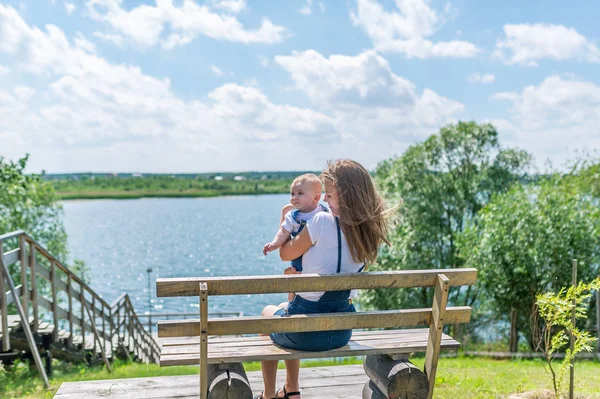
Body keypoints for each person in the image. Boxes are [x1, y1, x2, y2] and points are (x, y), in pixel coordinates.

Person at [254, 159, 393, 399]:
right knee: (283, 308)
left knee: (269, 312)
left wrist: (286, 218)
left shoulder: (320, 221)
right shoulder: (368, 232)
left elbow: (285, 253)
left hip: (307, 332)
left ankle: (268, 395)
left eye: (329, 195)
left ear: (346, 195)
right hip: (341, 329)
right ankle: (291, 390)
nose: (325, 201)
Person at [263, 173, 328, 303]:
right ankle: (291, 304)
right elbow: (283, 231)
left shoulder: (324, 214)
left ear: (316, 198)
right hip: (298, 258)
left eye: (300, 193)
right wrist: (274, 244)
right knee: (293, 281)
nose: (294, 197)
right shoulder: (293, 216)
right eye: (292, 194)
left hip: (318, 259)